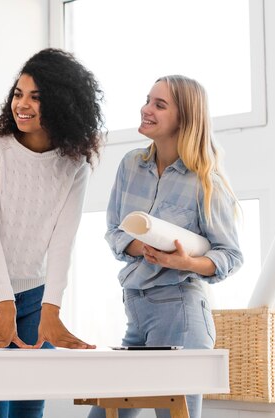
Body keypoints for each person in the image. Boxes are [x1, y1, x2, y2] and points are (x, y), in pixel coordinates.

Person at [0, 48, 104, 418]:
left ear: (62, 103)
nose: (22, 104)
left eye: (36, 97)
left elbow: (62, 242)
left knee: (28, 405)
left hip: (34, 298)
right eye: (18, 94)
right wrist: (4, 306)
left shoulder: (74, 165)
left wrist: (50, 309)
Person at [88, 75, 243, 418]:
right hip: (137, 310)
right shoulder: (131, 165)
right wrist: (138, 247)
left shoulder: (205, 181)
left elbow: (230, 255)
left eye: (159, 105)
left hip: (181, 314)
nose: (146, 109)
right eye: (147, 100)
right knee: (106, 412)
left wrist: (185, 262)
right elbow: (114, 231)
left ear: (184, 118)